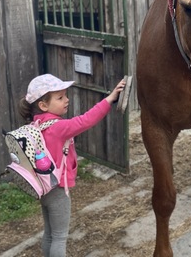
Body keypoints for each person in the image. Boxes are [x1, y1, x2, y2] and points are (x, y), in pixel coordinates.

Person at [18, 73, 126, 257]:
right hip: (58, 190)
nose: (66, 100)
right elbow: (87, 120)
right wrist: (110, 98)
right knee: (60, 237)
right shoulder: (58, 127)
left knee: (50, 233)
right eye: (60, 98)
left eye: (65, 95)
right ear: (43, 105)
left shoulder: (35, 125)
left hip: (43, 187)